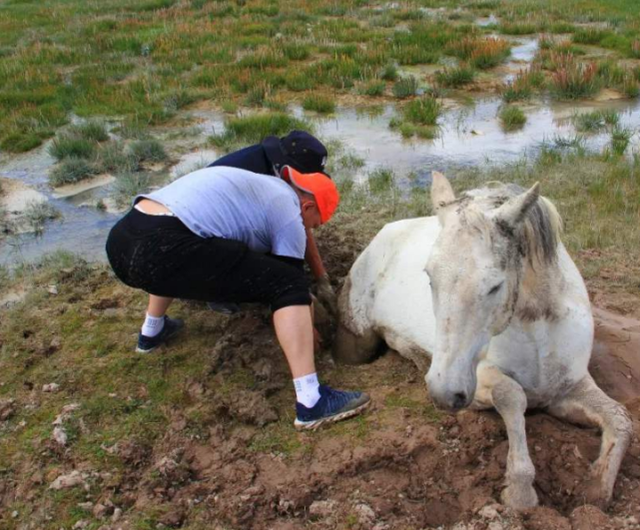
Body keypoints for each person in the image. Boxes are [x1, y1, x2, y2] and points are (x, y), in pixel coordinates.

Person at [105, 165, 370, 429]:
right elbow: (291, 282)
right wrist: (309, 328)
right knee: (288, 283)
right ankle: (312, 401)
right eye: (316, 224)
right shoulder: (289, 213)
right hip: (163, 248)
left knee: (190, 253)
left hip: (123, 242)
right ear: (308, 206)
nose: (312, 230)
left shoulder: (262, 185)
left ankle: (151, 331)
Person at [207, 131, 337, 315]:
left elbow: (299, 221)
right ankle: (216, 290)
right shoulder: (254, 173)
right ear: (292, 167)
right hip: (205, 229)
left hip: (221, 219)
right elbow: (290, 224)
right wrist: (300, 299)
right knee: (262, 259)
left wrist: (322, 278)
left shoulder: (277, 168)